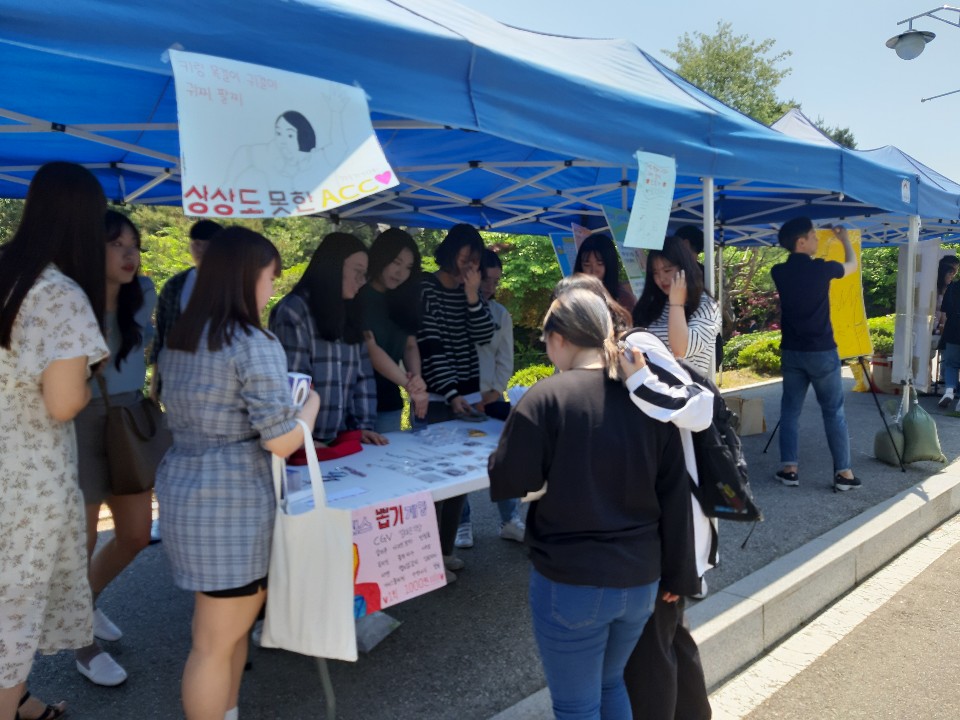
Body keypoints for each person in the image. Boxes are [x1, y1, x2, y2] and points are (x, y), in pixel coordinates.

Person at [488, 287, 696, 720]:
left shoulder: (545, 397)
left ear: (559, 338)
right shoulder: (643, 395)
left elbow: (509, 478)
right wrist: (680, 572)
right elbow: (675, 489)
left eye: (545, 340)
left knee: (577, 706)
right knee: (611, 683)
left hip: (572, 580)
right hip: (640, 580)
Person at [157, 227, 320, 720]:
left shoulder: (182, 338)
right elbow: (281, 440)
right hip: (232, 504)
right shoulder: (252, 341)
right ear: (248, 278)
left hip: (187, 488)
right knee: (213, 644)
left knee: (224, 635)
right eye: (271, 277)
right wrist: (309, 406)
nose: (273, 287)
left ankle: (228, 711)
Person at [0, 162, 110, 720]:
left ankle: (21, 702)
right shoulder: (58, 293)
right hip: (27, 480)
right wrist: (85, 384)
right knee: (13, 611)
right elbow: (64, 401)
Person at [72, 211, 157, 686]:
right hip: (77, 420)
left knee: (135, 534)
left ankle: (84, 603)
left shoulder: (142, 294)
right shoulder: (67, 298)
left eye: (134, 245)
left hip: (126, 418)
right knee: (80, 542)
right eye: (117, 245)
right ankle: (82, 645)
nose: (130, 255)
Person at [618, 330, 715, 720]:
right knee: (671, 637)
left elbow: (700, 408)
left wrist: (640, 380)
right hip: (668, 534)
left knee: (651, 654)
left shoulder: (635, 349)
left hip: (667, 537)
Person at [418, 224, 494, 578]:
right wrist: (450, 393)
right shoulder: (426, 287)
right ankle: (427, 559)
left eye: (474, 261)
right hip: (438, 396)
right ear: (449, 252)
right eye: (465, 258)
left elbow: (484, 334)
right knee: (435, 481)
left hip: (469, 393)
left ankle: (444, 553)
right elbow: (429, 345)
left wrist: (473, 295)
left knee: (459, 481)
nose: (469, 266)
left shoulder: (469, 290)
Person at [270, 232, 386, 446]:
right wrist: (302, 438)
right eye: (357, 272)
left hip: (345, 438)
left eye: (365, 274)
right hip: (305, 443)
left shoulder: (352, 309)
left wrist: (363, 427)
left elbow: (363, 378)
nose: (362, 281)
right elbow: (295, 382)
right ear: (333, 267)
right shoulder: (294, 311)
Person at [771, 218, 861, 491]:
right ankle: (844, 474)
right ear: (801, 242)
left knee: (790, 412)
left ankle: (790, 470)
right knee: (833, 412)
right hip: (822, 352)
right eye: (813, 236)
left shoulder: (778, 271)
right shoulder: (823, 269)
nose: (816, 239)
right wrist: (844, 240)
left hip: (792, 352)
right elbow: (852, 265)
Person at [149, 219, 221, 544]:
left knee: (212, 452)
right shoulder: (177, 285)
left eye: (207, 246)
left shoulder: (232, 285)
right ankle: (166, 517)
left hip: (219, 385)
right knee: (173, 451)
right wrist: (155, 383)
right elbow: (162, 336)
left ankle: (209, 515)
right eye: (196, 245)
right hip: (178, 383)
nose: (200, 251)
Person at [455, 249, 524, 549]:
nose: (490, 287)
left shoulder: (500, 314)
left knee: (503, 458)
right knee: (457, 462)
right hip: (458, 398)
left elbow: (505, 360)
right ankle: (461, 523)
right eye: (486, 279)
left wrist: (493, 393)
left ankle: (510, 519)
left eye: (496, 281)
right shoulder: (456, 307)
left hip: (491, 397)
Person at [356, 228, 428, 433]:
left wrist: (417, 381)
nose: (401, 273)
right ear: (381, 256)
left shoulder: (405, 299)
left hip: (390, 401)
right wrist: (410, 385)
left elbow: (410, 345)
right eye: (396, 263)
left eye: (408, 267)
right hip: (358, 399)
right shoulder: (359, 294)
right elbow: (371, 349)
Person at [633, 235, 721, 377]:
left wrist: (677, 305)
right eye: (655, 273)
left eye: (667, 270)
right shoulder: (653, 305)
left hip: (685, 389)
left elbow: (680, 350)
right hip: (647, 387)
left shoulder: (707, 307)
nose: (661, 278)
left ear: (684, 267)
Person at [573, 232, 637, 310]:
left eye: (600, 264)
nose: (593, 271)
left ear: (610, 264)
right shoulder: (573, 297)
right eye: (587, 265)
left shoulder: (624, 299)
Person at [934, 255, 959, 406]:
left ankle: (949, 390)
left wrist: (942, 326)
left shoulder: (953, 287)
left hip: (953, 330)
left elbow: (945, 311)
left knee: (951, 364)